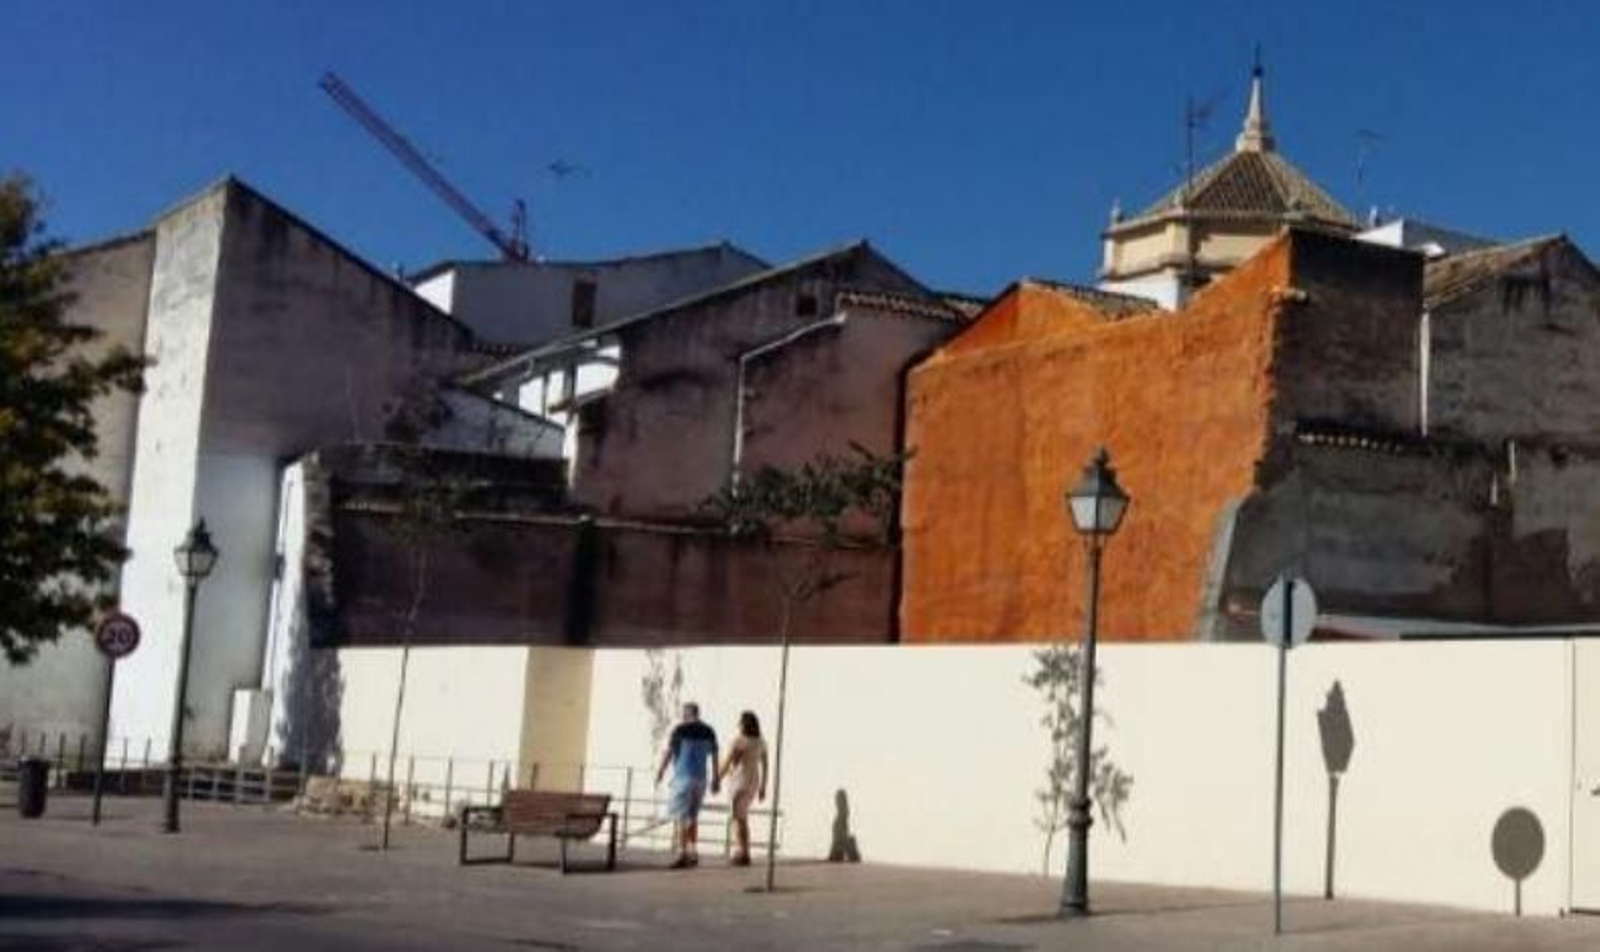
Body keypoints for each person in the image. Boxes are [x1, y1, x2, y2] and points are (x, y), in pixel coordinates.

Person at [656, 701, 719, 868]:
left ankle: (683, 853)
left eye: (684, 713)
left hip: (683, 778)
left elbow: (669, 752)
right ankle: (693, 851)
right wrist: (716, 778)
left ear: (689, 713)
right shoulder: (709, 731)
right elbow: (715, 756)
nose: (682, 716)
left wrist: (660, 771)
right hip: (701, 779)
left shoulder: (680, 730)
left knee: (681, 818)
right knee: (693, 817)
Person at [717, 710, 768, 867]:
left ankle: (741, 852)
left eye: (740, 722)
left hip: (739, 781)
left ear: (744, 724)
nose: (738, 725)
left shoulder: (740, 741)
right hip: (753, 782)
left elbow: (729, 762)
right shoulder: (761, 742)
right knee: (742, 817)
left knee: (737, 818)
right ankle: (744, 851)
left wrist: (717, 778)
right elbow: (766, 765)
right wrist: (763, 787)